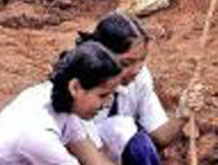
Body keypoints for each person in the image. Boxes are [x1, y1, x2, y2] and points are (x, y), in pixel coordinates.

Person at [0, 41, 121, 165]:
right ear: (75, 87)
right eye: (102, 95)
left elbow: (93, 159)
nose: (107, 104)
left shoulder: (63, 102)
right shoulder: (39, 134)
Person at [75, 12, 204, 164]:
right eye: (126, 63)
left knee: (137, 140)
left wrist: (182, 115)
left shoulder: (140, 77)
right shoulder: (81, 86)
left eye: (141, 60)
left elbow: (157, 138)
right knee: (122, 130)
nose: (136, 70)